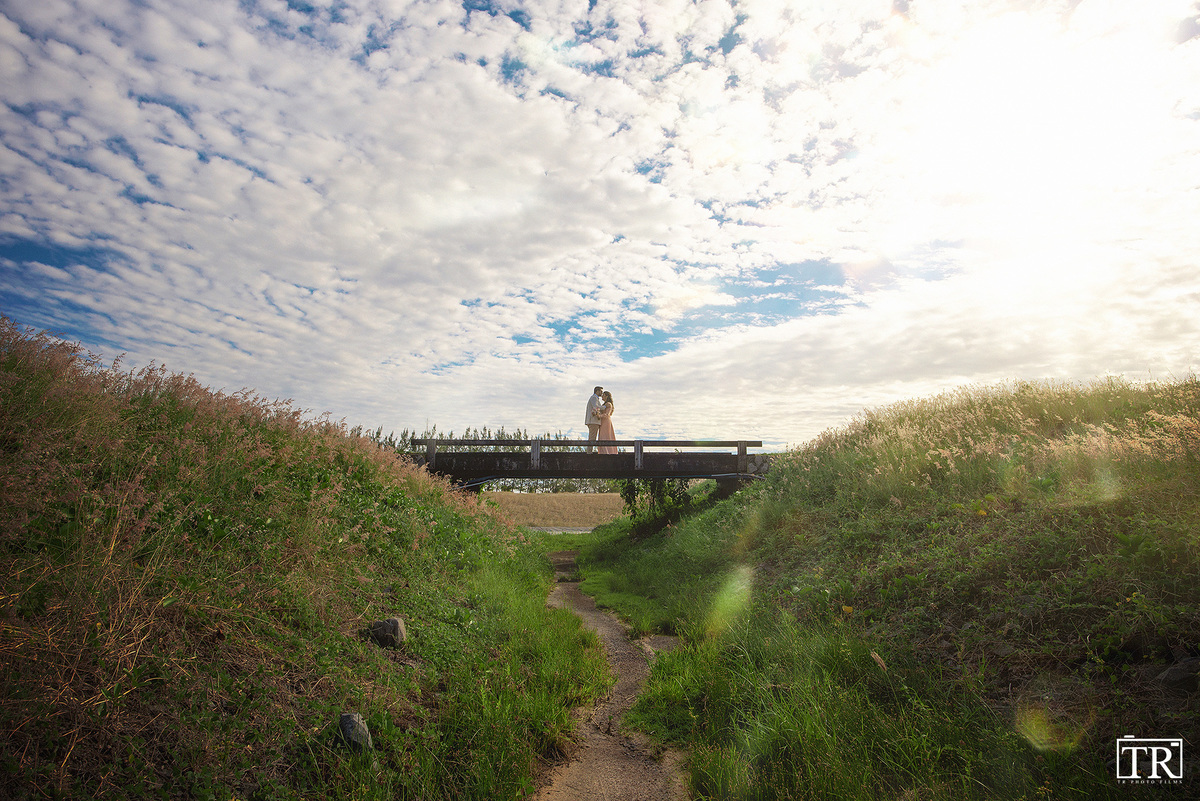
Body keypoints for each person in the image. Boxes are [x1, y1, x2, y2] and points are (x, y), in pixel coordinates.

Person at [584, 386, 604, 452]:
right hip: (593, 421)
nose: (602, 393)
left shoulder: (595, 398)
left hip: (594, 421)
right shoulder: (594, 398)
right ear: (597, 391)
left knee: (593, 437)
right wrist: (604, 407)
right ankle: (589, 453)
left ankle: (589, 452)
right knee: (592, 438)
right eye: (601, 391)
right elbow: (596, 407)